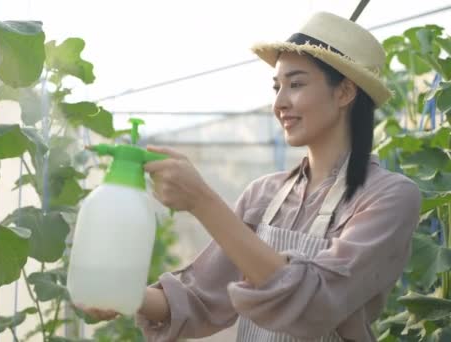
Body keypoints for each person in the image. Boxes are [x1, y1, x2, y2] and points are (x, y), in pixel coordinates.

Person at [78, 11, 421, 341]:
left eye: (296, 84)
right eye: (276, 88)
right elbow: (201, 297)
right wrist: (121, 293)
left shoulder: (388, 197)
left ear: (344, 92)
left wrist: (202, 200)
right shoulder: (264, 194)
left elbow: (313, 304)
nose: (279, 103)